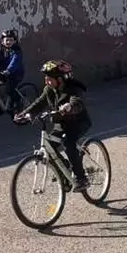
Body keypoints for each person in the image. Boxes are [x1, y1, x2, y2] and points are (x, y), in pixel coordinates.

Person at [15, 60, 91, 192]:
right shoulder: (49, 89)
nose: (46, 81)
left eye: (49, 78)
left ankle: (81, 179)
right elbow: (39, 103)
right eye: (45, 78)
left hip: (78, 123)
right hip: (61, 124)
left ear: (60, 79)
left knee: (69, 144)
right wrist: (24, 114)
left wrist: (69, 106)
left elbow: (77, 101)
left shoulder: (73, 88)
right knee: (50, 147)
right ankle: (64, 171)